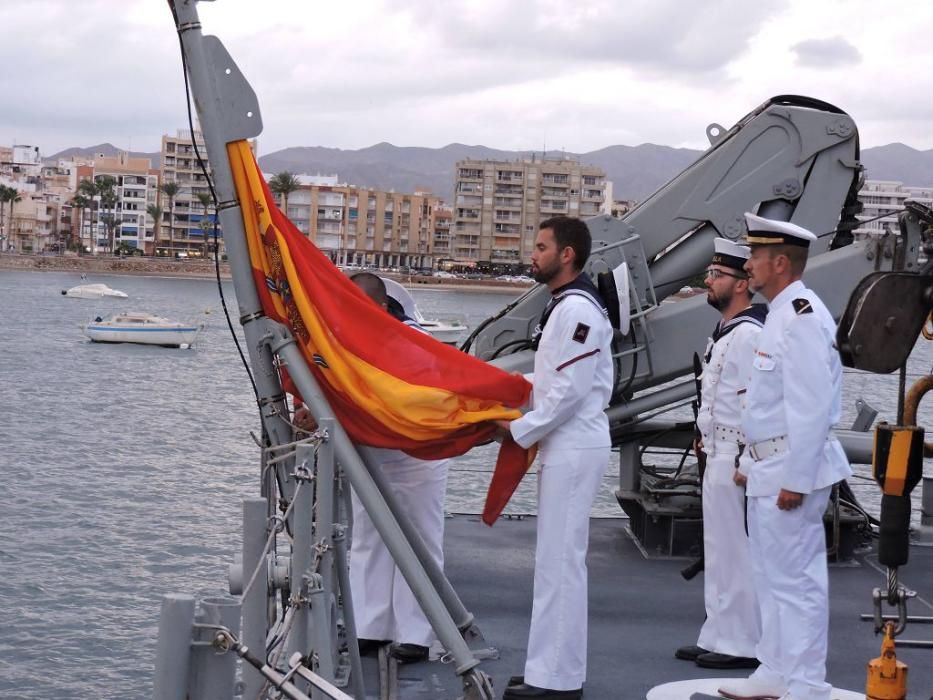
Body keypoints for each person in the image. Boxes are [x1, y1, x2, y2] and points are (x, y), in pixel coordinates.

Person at [719, 214, 851, 700]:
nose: (748, 264)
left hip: (793, 470)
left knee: (797, 584)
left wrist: (795, 478)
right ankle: (775, 671)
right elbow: (768, 402)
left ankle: (807, 685)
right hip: (769, 468)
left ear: (779, 262)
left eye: (755, 256)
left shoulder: (802, 316)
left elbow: (812, 406)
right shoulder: (778, 313)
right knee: (771, 579)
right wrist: (752, 463)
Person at [294, 272, 449, 665]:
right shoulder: (344, 340)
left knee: (419, 542)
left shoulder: (418, 344)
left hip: (418, 454)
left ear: (382, 308)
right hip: (374, 450)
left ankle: (417, 635)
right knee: (367, 538)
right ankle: (370, 627)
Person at [495, 216, 614, 700]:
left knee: (561, 562)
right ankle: (547, 668)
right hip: (564, 443)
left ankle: (559, 681)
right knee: (552, 561)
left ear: (567, 255)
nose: (533, 253)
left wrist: (518, 429)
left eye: (541, 246)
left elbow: (569, 391)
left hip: (574, 442)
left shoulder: (579, 310)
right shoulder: (564, 306)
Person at [675, 238, 765, 671]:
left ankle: (742, 640)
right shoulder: (728, 329)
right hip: (716, 448)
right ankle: (718, 631)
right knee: (718, 547)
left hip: (734, 454)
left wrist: (747, 461)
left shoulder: (749, 334)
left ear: (744, 283)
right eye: (710, 274)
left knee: (736, 549)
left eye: (718, 276)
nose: (709, 282)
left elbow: (753, 404)